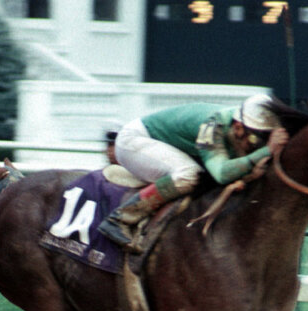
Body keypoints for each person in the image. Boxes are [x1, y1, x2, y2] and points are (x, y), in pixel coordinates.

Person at [97, 93, 288, 249]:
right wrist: (267, 150)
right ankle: (121, 217)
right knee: (189, 175)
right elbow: (220, 173)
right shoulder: (213, 126)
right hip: (133, 142)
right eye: (256, 140)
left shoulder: (237, 126)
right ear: (238, 127)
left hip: (164, 145)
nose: (257, 146)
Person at [101, 127, 160, 311]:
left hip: (134, 263)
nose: (110, 151)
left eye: (114, 146)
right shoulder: (100, 180)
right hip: (104, 263)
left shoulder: (143, 180)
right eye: (108, 146)